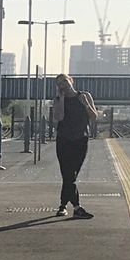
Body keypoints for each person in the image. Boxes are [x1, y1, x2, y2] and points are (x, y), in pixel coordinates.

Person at [51, 73, 98, 219]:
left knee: (72, 175)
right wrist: (61, 99)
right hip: (64, 140)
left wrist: (86, 104)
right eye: (59, 84)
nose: (63, 85)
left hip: (80, 140)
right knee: (68, 174)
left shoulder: (85, 96)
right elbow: (58, 117)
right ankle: (77, 207)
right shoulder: (58, 99)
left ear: (71, 81)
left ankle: (63, 206)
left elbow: (94, 116)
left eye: (64, 81)